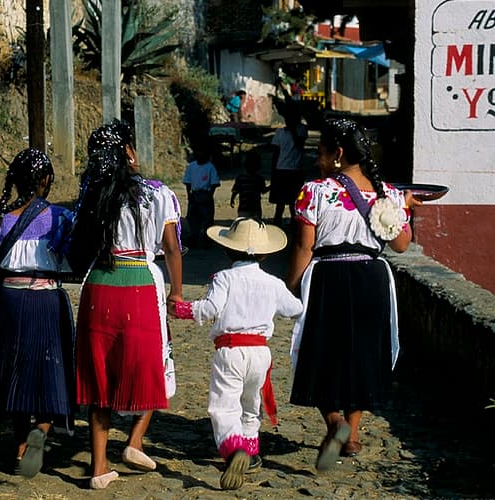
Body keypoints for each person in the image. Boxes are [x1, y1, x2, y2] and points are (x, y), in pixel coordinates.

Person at [286, 118, 421, 471]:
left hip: (329, 276)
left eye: (321, 152)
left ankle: (335, 422)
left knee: (322, 351)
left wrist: (291, 286)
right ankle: (354, 433)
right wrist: (404, 208)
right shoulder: (388, 194)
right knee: (362, 351)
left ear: (338, 154)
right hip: (372, 278)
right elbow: (402, 245)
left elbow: (304, 247)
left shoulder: (313, 191)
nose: (317, 159)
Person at [67, 120, 183, 490]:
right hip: (139, 284)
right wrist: (177, 292)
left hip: (99, 285)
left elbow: (77, 251)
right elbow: (172, 248)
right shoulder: (157, 193)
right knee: (150, 364)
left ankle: (99, 466)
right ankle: (134, 440)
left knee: (99, 376)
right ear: (129, 154)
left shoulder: (93, 195)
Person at [169, 217, 302, 490]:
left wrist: (181, 310)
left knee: (224, 405)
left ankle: (233, 449)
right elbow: (296, 309)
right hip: (260, 353)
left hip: (230, 350)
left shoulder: (224, 278)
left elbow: (209, 309)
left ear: (227, 249)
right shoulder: (273, 283)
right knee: (251, 403)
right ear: (265, 253)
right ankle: (251, 452)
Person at [0, 148, 76, 479]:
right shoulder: (61, 219)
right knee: (50, 370)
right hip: (47, 299)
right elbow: (74, 260)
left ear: (15, 181)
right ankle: (42, 430)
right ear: (46, 180)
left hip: (9, 302)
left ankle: (19, 449)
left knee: (15, 373)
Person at [269, 107, 308, 227]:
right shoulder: (280, 132)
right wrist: (273, 170)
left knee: (293, 203)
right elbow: (276, 152)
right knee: (280, 204)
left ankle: (294, 225)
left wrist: (292, 131)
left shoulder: (301, 130)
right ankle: (278, 224)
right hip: (283, 169)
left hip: (293, 170)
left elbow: (299, 145)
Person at [183, 148, 221, 247]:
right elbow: (187, 182)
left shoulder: (210, 167)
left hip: (205, 194)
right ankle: (194, 238)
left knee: (207, 219)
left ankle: (207, 239)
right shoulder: (191, 167)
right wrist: (189, 195)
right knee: (193, 218)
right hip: (194, 194)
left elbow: (214, 184)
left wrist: (209, 196)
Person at [230, 151, 269, 219]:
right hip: (256, 209)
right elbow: (263, 190)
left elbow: (235, 191)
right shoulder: (259, 179)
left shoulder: (240, 178)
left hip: (243, 209)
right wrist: (272, 186)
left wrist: (232, 199)